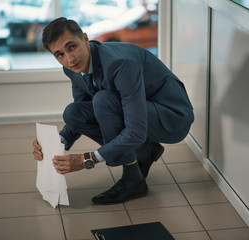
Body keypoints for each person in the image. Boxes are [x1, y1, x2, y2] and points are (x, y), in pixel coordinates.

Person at [32, 17, 194, 204]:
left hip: (172, 117)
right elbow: (81, 110)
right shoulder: (71, 68)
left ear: (85, 38)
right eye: (59, 54)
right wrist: (54, 143)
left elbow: (136, 130)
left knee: (103, 101)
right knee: (73, 112)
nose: (69, 59)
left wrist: (87, 160)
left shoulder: (120, 64)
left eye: (72, 47)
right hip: (141, 110)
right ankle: (144, 150)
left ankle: (133, 178)